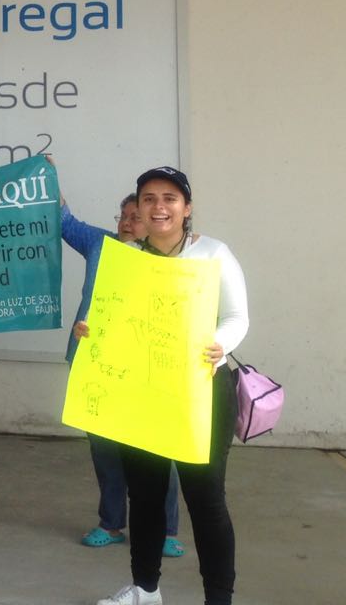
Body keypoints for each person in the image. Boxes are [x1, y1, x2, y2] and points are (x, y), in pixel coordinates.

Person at [92, 166, 248, 605]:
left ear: (186, 207)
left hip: (203, 390)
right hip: (142, 392)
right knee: (144, 496)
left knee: (206, 500)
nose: (158, 206)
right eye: (149, 198)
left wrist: (220, 344)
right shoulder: (126, 256)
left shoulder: (213, 254)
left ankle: (219, 599)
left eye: (169, 198)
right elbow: (112, 318)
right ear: (138, 207)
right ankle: (145, 591)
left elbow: (237, 316)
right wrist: (93, 330)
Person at [64, 192, 185, 556]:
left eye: (136, 216)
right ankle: (111, 523)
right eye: (123, 216)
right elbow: (63, 220)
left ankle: (166, 531)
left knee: (158, 451)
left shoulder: (168, 260)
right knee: (106, 452)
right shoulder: (100, 245)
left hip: (145, 372)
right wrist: (47, 174)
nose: (127, 222)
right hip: (96, 365)